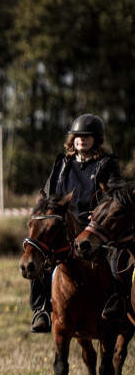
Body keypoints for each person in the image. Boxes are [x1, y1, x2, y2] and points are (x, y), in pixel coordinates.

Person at [30, 113, 124, 332]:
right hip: (63, 228)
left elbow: (115, 194)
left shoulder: (107, 163)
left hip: (95, 227)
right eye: (78, 135)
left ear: (96, 139)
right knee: (37, 250)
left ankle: (117, 299)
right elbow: (46, 194)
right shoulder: (62, 164)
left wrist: (101, 214)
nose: (82, 139)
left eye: (87, 135)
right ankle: (41, 309)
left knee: (116, 254)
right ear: (72, 139)